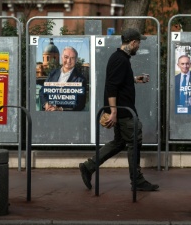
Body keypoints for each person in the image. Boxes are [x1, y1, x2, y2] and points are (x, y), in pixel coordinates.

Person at [78, 28, 158, 192]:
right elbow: (112, 86)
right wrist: (113, 111)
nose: (139, 46)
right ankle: (137, 180)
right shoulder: (120, 60)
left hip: (122, 109)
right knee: (134, 141)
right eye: (138, 43)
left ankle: (89, 166)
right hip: (123, 111)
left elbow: (119, 81)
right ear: (133, 42)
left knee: (119, 142)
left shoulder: (121, 58)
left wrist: (135, 79)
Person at [40, 46, 88, 111]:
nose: (69, 61)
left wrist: (60, 109)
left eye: (72, 58)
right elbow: (42, 91)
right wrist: (46, 104)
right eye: (66, 57)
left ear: (76, 60)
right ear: (62, 58)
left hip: (66, 117)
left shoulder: (81, 79)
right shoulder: (53, 73)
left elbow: (80, 104)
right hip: (47, 114)